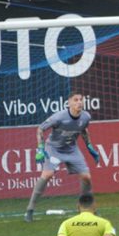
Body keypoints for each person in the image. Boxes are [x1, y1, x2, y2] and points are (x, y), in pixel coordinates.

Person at [25, 91, 100, 223]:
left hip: (71, 149)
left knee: (86, 177)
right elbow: (40, 129)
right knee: (47, 174)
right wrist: (41, 149)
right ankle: (30, 210)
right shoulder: (59, 117)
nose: (79, 102)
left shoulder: (86, 117)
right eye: (76, 100)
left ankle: (85, 208)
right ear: (69, 103)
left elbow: (83, 129)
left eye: (81, 100)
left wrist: (89, 146)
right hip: (53, 149)